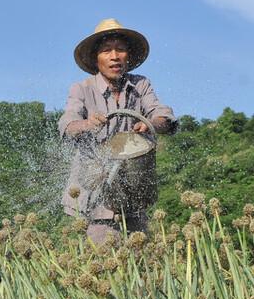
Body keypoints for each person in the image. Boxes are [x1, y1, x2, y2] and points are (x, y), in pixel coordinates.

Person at [59, 18, 176, 243]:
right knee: (105, 260)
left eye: (120, 50)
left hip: (132, 189)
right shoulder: (82, 89)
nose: (115, 56)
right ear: (96, 59)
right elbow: (67, 124)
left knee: (143, 260)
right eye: (106, 51)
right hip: (95, 195)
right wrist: (87, 124)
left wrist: (151, 124)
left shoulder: (140, 85)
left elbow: (162, 113)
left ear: (128, 56)